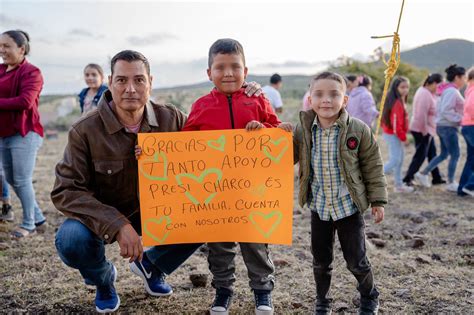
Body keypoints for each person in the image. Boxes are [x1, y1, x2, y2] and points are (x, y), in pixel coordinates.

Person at [52, 49, 262, 313]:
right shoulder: (84, 130)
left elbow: (214, 148)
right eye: (122, 80)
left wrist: (245, 94)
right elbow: (66, 191)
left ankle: (152, 266)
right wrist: (117, 225)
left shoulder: (171, 118)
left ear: (150, 81)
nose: (130, 88)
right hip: (104, 216)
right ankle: (104, 280)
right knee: (71, 239)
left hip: (159, 212)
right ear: (110, 82)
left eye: (139, 80)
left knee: (210, 212)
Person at [182, 38, 280, 315]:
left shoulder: (257, 100)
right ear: (209, 73)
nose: (228, 73)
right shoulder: (201, 106)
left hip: (252, 191)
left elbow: (276, 133)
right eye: (220, 67)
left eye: (235, 67)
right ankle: (222, 291)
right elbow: (183, 147)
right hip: (216, 195)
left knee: (256, 244)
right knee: (219, 247)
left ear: (245, 71)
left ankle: (263, 291)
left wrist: (262, 129)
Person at [289, 71, 387, 314]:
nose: (326, 100)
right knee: (321, 262)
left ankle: (369, 296)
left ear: (345, 100)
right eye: (319, 94)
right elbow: (284, 158)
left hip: (348, 208)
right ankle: (323, 301)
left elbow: (372, 165)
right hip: (319, 209)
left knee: (356, 261)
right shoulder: (303, 131)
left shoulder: (358, 130)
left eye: (334, 94)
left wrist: (377, 200)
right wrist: (278, 134)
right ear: (310, 100)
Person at [0, 30, 46, 236]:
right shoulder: (1, 70)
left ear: (21, 49)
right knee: (11, 178)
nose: (2, 50)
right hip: (3, 133)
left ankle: (29, 224)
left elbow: (25, 101)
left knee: (22, 179)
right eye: (0, 46)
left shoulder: (32, 72)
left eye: (6, 46)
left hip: (25, 133)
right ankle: (38, 217)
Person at [415, 64, 466, 191]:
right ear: (457, 77)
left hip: (443, 126)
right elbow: (445, 110)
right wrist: (461, 119)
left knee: (444, 154)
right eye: (464, 77)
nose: (465, 80)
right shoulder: (452, 91)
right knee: (455, 154)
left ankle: (423, 173)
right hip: (448, 127)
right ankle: (450, 182)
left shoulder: (446, 90)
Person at [403, 74, 445, 186]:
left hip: (427, 129)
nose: (439, 88)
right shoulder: (424, 94)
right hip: (422, 130)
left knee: (432, 153)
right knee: (420, 155)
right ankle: (408, 178)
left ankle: (436, 177)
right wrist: (425, 131)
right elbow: (421, 115)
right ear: (434, 83)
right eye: (439, 85)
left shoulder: (429, 92)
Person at [381, 76, 414, 193]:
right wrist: (404, 138)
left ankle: (399, 186)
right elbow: (396, 125)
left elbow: (400, 121)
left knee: (400, 160)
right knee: (395, 160)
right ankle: (370, 178)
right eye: (402, 87)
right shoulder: (396, 103)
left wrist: (407, 130)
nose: (405, 90)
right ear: (396, 88)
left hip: (394, 134)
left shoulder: (400, 100)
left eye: (407, 87)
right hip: (393, 135)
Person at [457, 66, 474, 197]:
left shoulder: (469, 89)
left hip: (467, 126)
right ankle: (470, 186)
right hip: (471, 126)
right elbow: (470, 107)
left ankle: (462, 188)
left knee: (471, 159)